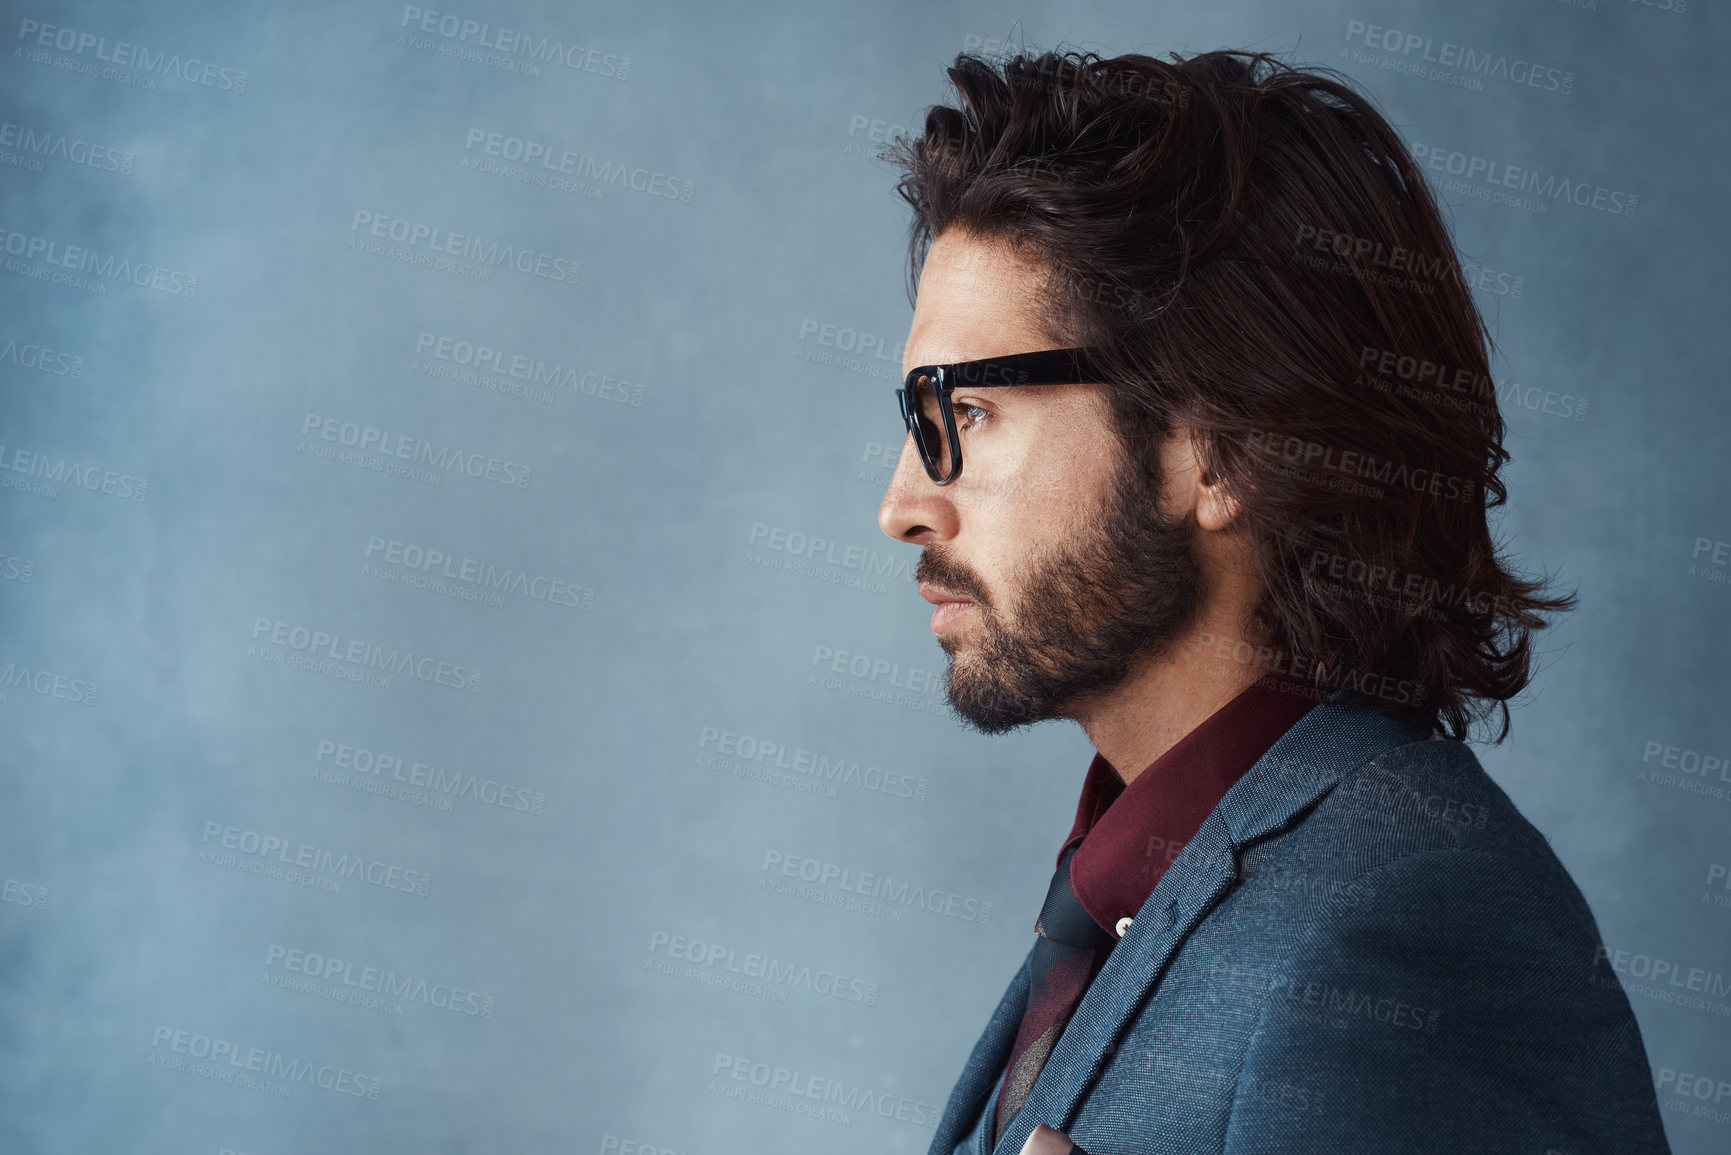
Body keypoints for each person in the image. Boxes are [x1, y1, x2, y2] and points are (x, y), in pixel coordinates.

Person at [874, 49, 1670, 1155]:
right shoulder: (1131, 885)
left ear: (1220, 454)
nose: (904, 506)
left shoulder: (1401, 923)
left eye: (968, 414)